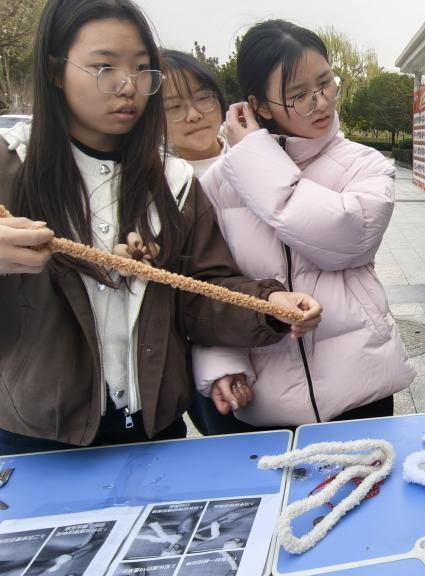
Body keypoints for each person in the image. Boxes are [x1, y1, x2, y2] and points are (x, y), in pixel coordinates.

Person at [0, 0, 321, 456]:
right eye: (104, 67)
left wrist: (266, 305)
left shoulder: (173, 181)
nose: (128, 86)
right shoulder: (11, 167)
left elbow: (200, 291)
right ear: (55, 71)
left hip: (154, 429)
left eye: (141, 68)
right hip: (37, 438)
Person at [193, 19, 415, 431]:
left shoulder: (364, 163)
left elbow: (346, 238)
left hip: (360, 388)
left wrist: (257, 162)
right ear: (260, 106)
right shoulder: (219, 183)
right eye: (299, 96)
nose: (321, 102)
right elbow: (208, 282)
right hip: (262, 399)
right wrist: (221, 359)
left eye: (326, 83)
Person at [161, 50, 229, 178]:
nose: (194, 115)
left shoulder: (252, 148)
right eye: (175, 106)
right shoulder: (160, 182)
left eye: (202, 98)